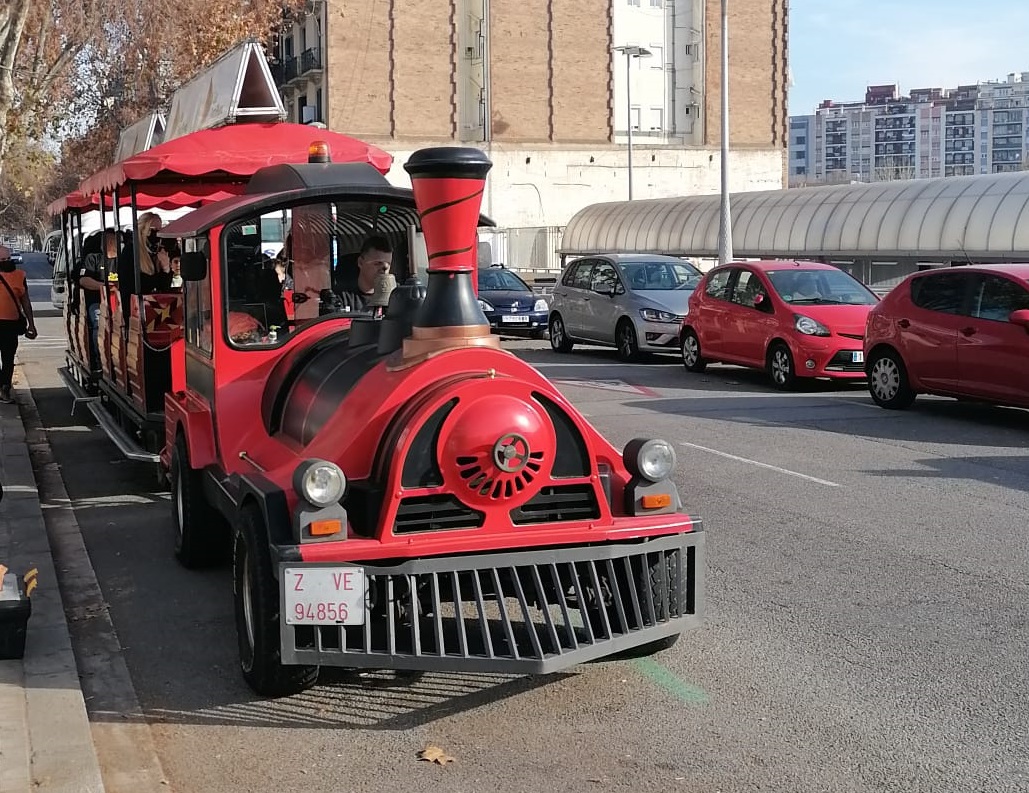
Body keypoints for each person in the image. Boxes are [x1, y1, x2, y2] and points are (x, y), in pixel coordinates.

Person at [0, 245, 37, 404]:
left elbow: (26, 302)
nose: (6, 262)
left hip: (10, 324)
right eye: (2, 260)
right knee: (7, 358)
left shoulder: (19, 276)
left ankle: (5, 387)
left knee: (8, 358)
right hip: (7, 324)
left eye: (8, 259)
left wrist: (31, 324)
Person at [79, 229, 116, 372]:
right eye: (105, 240)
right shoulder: (93, 259)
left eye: (111, 240)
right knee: (98, 322)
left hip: (121, 302)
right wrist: (105, 287)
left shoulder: (125, 260)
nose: (108, 243)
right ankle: (99, 358)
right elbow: (84, 280)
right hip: (98, 302)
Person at [336, 236, 393, 311]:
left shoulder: (396, 297)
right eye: (378, 263)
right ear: (360, 262)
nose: (385, 269)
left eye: (388, 264)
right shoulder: (341, 298)